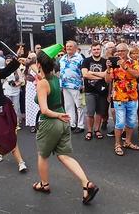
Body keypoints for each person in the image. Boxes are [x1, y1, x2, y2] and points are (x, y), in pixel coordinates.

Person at [33, 44, 99, 205]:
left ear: (40, 65)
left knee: (42, 155)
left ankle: (44, 184)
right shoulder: (55, 78)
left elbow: (44, 110)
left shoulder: (43, 83)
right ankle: (86, 184)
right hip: (63, 122)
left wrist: (58, 115)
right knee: (64, 156)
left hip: (51, 122)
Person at [105, 43, 139, 156]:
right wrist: (108, 68)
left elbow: (137, 75)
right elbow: (107, 80)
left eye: (123, 51)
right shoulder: (114, 64)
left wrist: (125, 66)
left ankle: (128, 142)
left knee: (131, 122)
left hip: (132, 97)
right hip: (119, 97)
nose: (120, 53)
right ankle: (117, 144)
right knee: (120, 123)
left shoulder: (133, 62)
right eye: (118, 51)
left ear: (127, 51)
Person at [81, 42, 107, 140]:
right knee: (90, 113)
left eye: (98, 49)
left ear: (101, 50)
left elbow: (107, 75)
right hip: (89, 90)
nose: (96, 51)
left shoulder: (105, 61)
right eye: (94, 49)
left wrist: (91, 72)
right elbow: (85, 75)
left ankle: (97, 130)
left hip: (102, 91)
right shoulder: (86, 61)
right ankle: (89, 131)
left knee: (99, 113)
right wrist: (101, 76)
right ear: (91, 50)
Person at [59, 40, 85, 133]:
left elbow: (83, 72)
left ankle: (81, 125)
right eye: (67, 46)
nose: (68, 48)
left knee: (79, 106)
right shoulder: (62, 58)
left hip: (76, 85)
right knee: (68, 106)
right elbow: (61, 72)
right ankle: (71, 124)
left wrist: (83, 84)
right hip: (65, 85)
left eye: (70, 46)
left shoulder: (80, 58)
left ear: (75, 48)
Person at [3, 55, 23, 129]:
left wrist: (16, 84)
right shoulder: (4, 70)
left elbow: (22, 80)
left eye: (10, 61)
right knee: (7, 107)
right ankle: (8, 123)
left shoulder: (17, 69)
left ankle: (17, 123)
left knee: (16, 107)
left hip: (15, 91)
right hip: (6, 91)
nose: (8, 62)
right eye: (7, 61)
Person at [25, 52, 40, 133]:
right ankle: (32, 124)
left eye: (30, 58)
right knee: (30, 105)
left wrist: (35, 79)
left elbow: (40, 75)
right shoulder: (27, 66)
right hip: (29, 87)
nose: (28, 59)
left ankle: (39, 123)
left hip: (37, 87)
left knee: (37, 105)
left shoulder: (37, 66)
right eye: (28, 57)